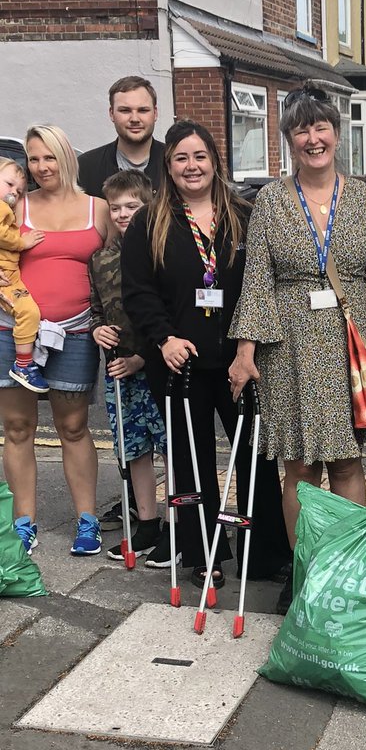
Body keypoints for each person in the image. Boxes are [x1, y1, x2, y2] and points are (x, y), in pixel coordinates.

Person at [228, 87, 366, 612]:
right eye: (301, 129)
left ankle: (348, 565)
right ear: (289, 139)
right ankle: (307, 571)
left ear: (336, 133)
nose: (313, 138)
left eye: (321, 128)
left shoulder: (363, 197)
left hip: (348, 343)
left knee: (345, 461)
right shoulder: (270, 199)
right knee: (298, 466)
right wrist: (245, 351)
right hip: (290, 347)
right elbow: (258, 279)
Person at [122, 121, 290, 589]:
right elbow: (137, 292)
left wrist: (247, 346)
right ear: (168, 166)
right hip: (180, 362)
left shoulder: (245, 214)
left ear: (215, 162)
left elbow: (262, 286)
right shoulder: (148, 222)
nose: (191, 166)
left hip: (242, 361)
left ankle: (265, 554)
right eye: (181, 158)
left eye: (199, 156)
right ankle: (202, 552)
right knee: (190, 461)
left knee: (256, 459)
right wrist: (163, 338)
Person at [0, 126, 109, 556]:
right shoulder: (15, 204)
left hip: (77, 330)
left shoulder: (97, 209)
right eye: (33, 159)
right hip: (12, 330)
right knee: (18, 427)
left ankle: (88, 521)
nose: (41, 167)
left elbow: (118, 265)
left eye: (49, 157)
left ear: (67, 157)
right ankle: (23, 523)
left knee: (73, 427)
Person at [89, 171, 167, 561]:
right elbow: (97, 309)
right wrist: (98, 329)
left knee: (174, 449)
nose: (122, 214)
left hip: (157, 366)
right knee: (134, 451)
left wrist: (143, 358)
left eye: (131, 206)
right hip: (120, 374)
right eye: (115, 207)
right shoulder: (100, 259)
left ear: (148, 204)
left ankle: (182, 526)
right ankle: (149, 523)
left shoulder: (162, 251)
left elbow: (168, 313)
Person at [0, 159, 47, 393]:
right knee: (28, 312)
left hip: (11, 276)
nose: (13, 193)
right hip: (6, 279)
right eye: (8, 184)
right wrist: (22, 242)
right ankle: (24, 364)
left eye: (18, 191)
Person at [78, 76, 165, 198]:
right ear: (111, 114)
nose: (134, 119)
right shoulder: (86, 168)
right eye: (125, 110)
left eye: (143, 110)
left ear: (155, 113)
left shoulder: (174, 162)